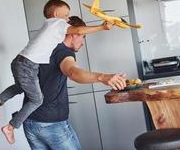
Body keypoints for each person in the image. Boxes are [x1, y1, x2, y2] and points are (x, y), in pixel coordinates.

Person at [0, 0, 114, 144]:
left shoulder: (50, 38)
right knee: (37, 99)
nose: (67, 19)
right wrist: (102, 27)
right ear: (56, 14)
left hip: (24, 76)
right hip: (50, 122)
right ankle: (11, 127)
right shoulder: (57, 24)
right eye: (66, 15)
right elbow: (73, 69)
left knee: (19, 87)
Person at [23, 16, 126, 150]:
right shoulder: (63, 52)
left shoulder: (45, 48)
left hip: (30, 120)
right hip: (51, 123)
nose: (83, 43)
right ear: (73, 33)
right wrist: (103, 77)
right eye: (83, 37)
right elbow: (72, 72)